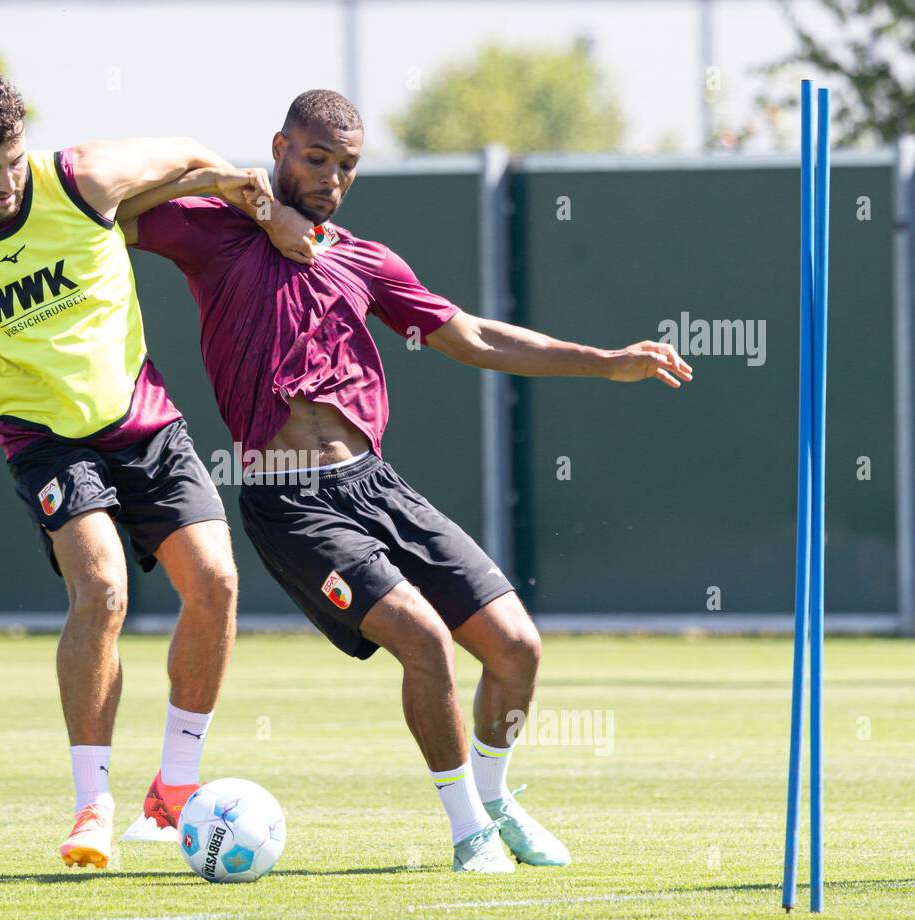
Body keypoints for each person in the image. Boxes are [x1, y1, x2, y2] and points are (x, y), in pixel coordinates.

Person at [119, 89, 694, 873]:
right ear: (281, 146)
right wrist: (238, 191)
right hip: (288, 501)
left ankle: (493, 797)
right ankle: (469, 834)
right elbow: (116, 204)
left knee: (517, 647)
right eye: (315, 158)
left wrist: (604, 361)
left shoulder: (365, 259)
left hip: (376, 486)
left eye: (346, 167)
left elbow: (476, 336)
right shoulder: (217, 235)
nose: (330, 178)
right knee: (424, 639)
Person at [0, 73, 308, 871]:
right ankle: (92, 805)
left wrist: (264, 207)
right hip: (45, 441)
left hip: (145, 423)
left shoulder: (82, 179)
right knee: (102, 588)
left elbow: (185, 152)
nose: (5, 183)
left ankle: (174, 788)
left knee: (215, 582)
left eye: (11, 160)